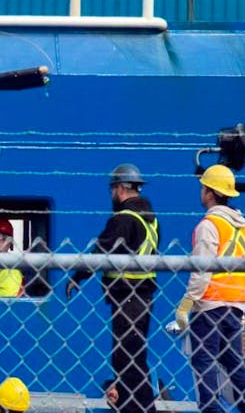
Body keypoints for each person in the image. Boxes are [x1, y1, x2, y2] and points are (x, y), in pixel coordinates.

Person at [65, 163, 159, 413]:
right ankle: (139, 408)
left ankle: (137, 409)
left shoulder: (124, 219)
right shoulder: (149, 218)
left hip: (127, 297)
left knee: (125, 359)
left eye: (112, 189)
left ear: (120, 188)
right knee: (135, 359)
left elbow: (102, 251)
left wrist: (78, 276)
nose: (111, 195)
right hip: (143, 296)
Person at [174, 164, 245, 413]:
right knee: (233, 362)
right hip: (234, 306)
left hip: (210, 304)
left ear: (210, 192)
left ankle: (211, 410)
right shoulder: (242, 225)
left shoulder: (209, 225)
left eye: (203, 187)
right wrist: (243, 308)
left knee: (203, 361)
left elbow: (202, 269)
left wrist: (186, 305)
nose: (201, 192)